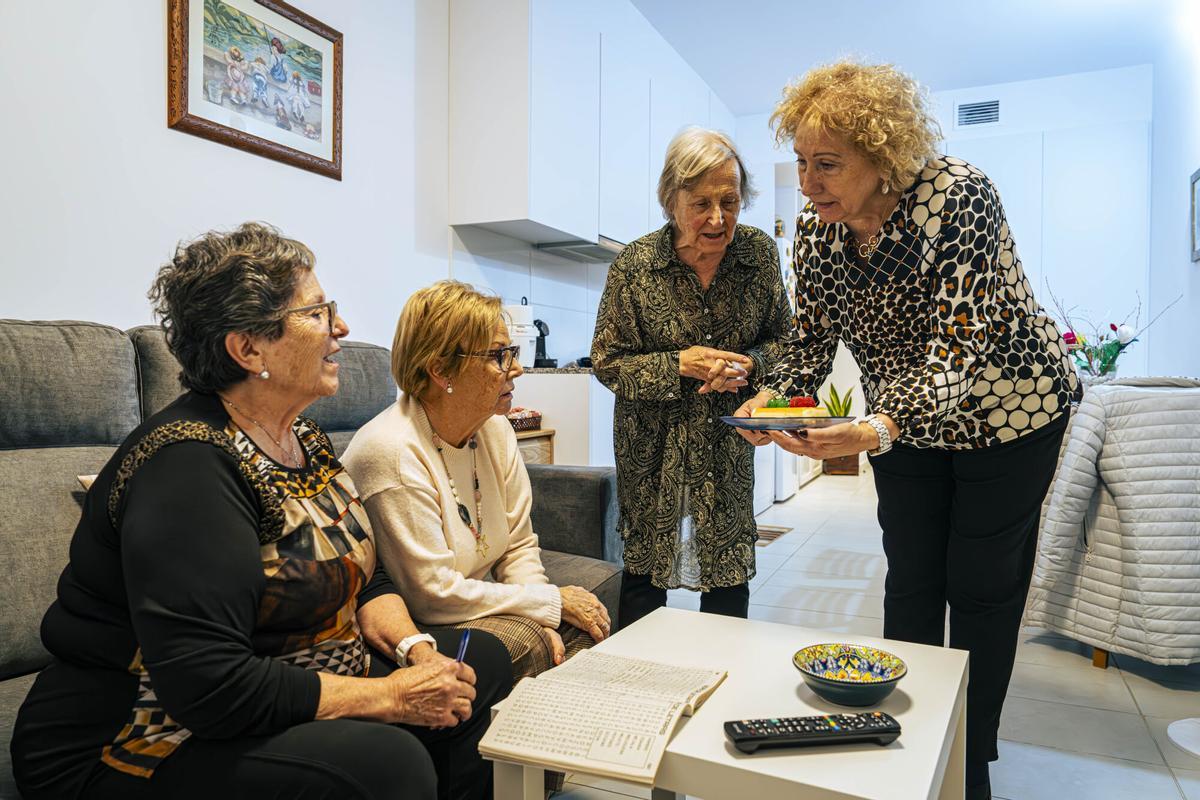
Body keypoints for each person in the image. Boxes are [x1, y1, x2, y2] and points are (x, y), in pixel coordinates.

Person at [11, 223, 511, 800]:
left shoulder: (302, 437)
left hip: (299, 678)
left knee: (480, 670)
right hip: (146, 733)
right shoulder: (189, 466)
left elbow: (366, 581)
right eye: (320, 312)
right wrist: (394, 697)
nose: (341, 328)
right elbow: (210, 685)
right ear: (249, 349)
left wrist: (417, 653)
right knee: (386, 764)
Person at [737, 61, 1078, 800]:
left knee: (982, 590)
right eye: (800, 162)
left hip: (1008, 412)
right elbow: (811, 342)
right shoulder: (816, 232)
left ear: (884, 156)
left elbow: (958, 346)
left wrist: (874, 427)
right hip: (907, 422)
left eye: (827, 164)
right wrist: (774, 404)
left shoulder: (960, 196)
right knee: (913, 580)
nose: (808, 182)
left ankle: (968, 764)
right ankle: (906, 744)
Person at [342, 280, 610, 683]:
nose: (516, 368)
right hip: (420, 621)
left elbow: (517, 545)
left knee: (580, 627)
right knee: (541, 638)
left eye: (512, 353)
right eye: (499, 356)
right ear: (440, 369)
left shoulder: (494, 429)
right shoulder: (392, 453)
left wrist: (545, 616)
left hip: (470, 597)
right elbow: (431, 594)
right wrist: (547, 604)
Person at [591, 127, 791, 628]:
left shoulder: (758, 256)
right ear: (670, 200)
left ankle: (725, 677)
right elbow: (607, 361)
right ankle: (638, 682)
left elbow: (785, 340)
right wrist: (682, 363)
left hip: (726, 440)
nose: (718, 218)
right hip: (650, 444)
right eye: (701, 203)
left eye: (730, 200)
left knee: (726, 574)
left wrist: (752, 367)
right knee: (644, 574)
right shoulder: (635, 265)